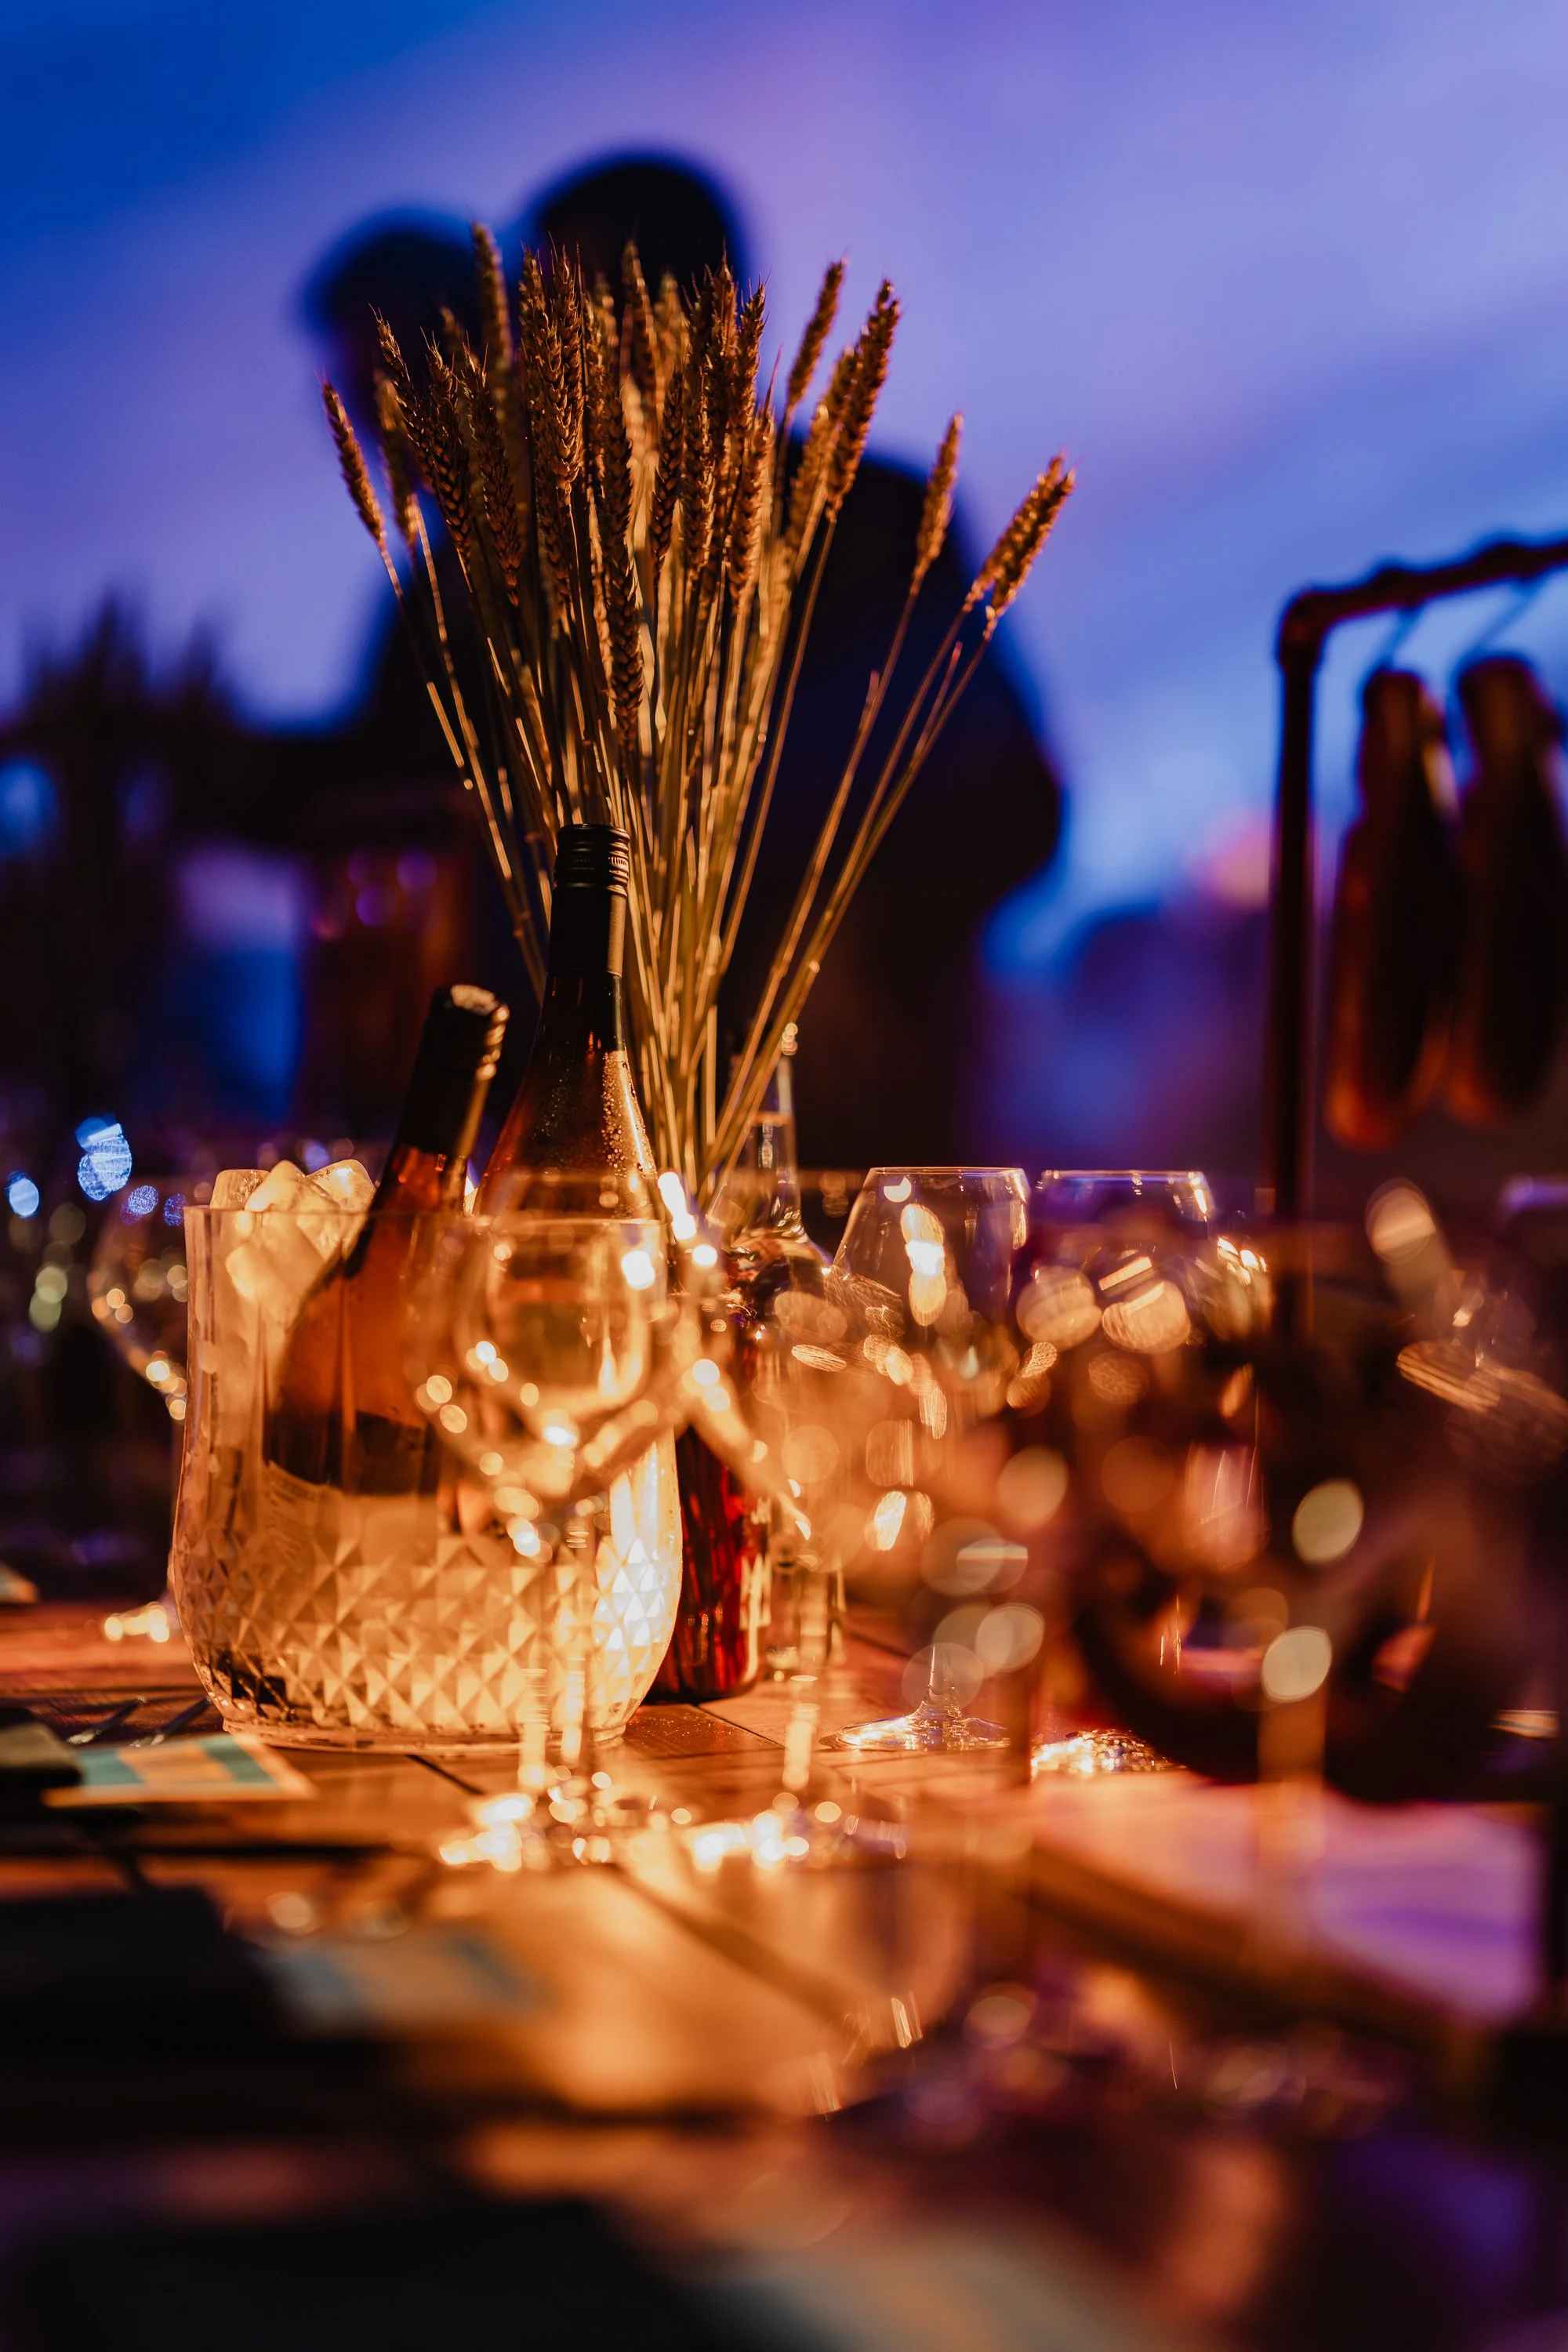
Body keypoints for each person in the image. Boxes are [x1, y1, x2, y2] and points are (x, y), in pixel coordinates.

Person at [297, 155, 1063, 1166]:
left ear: (686, 316)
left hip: (838, 1149)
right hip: (563, 1159)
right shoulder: (497, 570)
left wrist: (833, 941)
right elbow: (382, 775)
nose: (542, 353)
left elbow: (1012, 802)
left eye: (576, 310)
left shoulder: (863, 523)